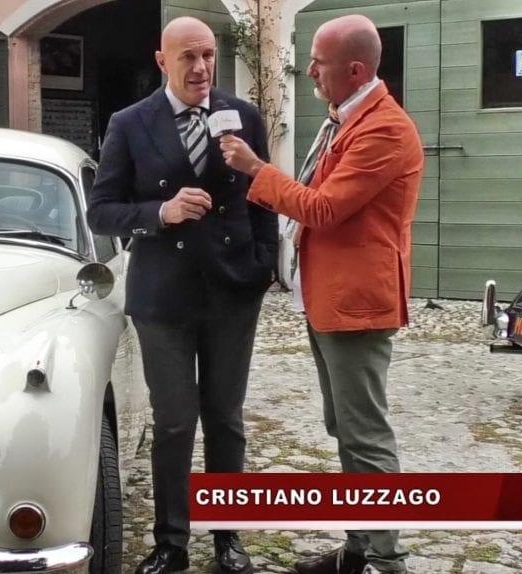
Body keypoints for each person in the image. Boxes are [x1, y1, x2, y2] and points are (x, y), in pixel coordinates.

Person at [220, 14, 423, 574]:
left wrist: (256, 169)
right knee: (346, 430)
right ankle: (359, 548)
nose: (308, 70)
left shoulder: (385, 129)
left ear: (355, 70)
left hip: (358, 306)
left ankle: (386, 560)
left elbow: (324, 208)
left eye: (319, 62)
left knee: (365, 435)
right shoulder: (345, 118)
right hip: (330, 300)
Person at [87, 16, 278, 574]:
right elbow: (101, 210)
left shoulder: (243, 117)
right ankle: (171, 542)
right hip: (163, 295)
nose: (200, 68)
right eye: (188, 57)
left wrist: (265, 265)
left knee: (225, 418)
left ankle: (228, 539)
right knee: (173, 420)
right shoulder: (130, 123)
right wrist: (160, 212)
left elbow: (263, 195)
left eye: (208, 55)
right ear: (162, 61)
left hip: (231, 290)